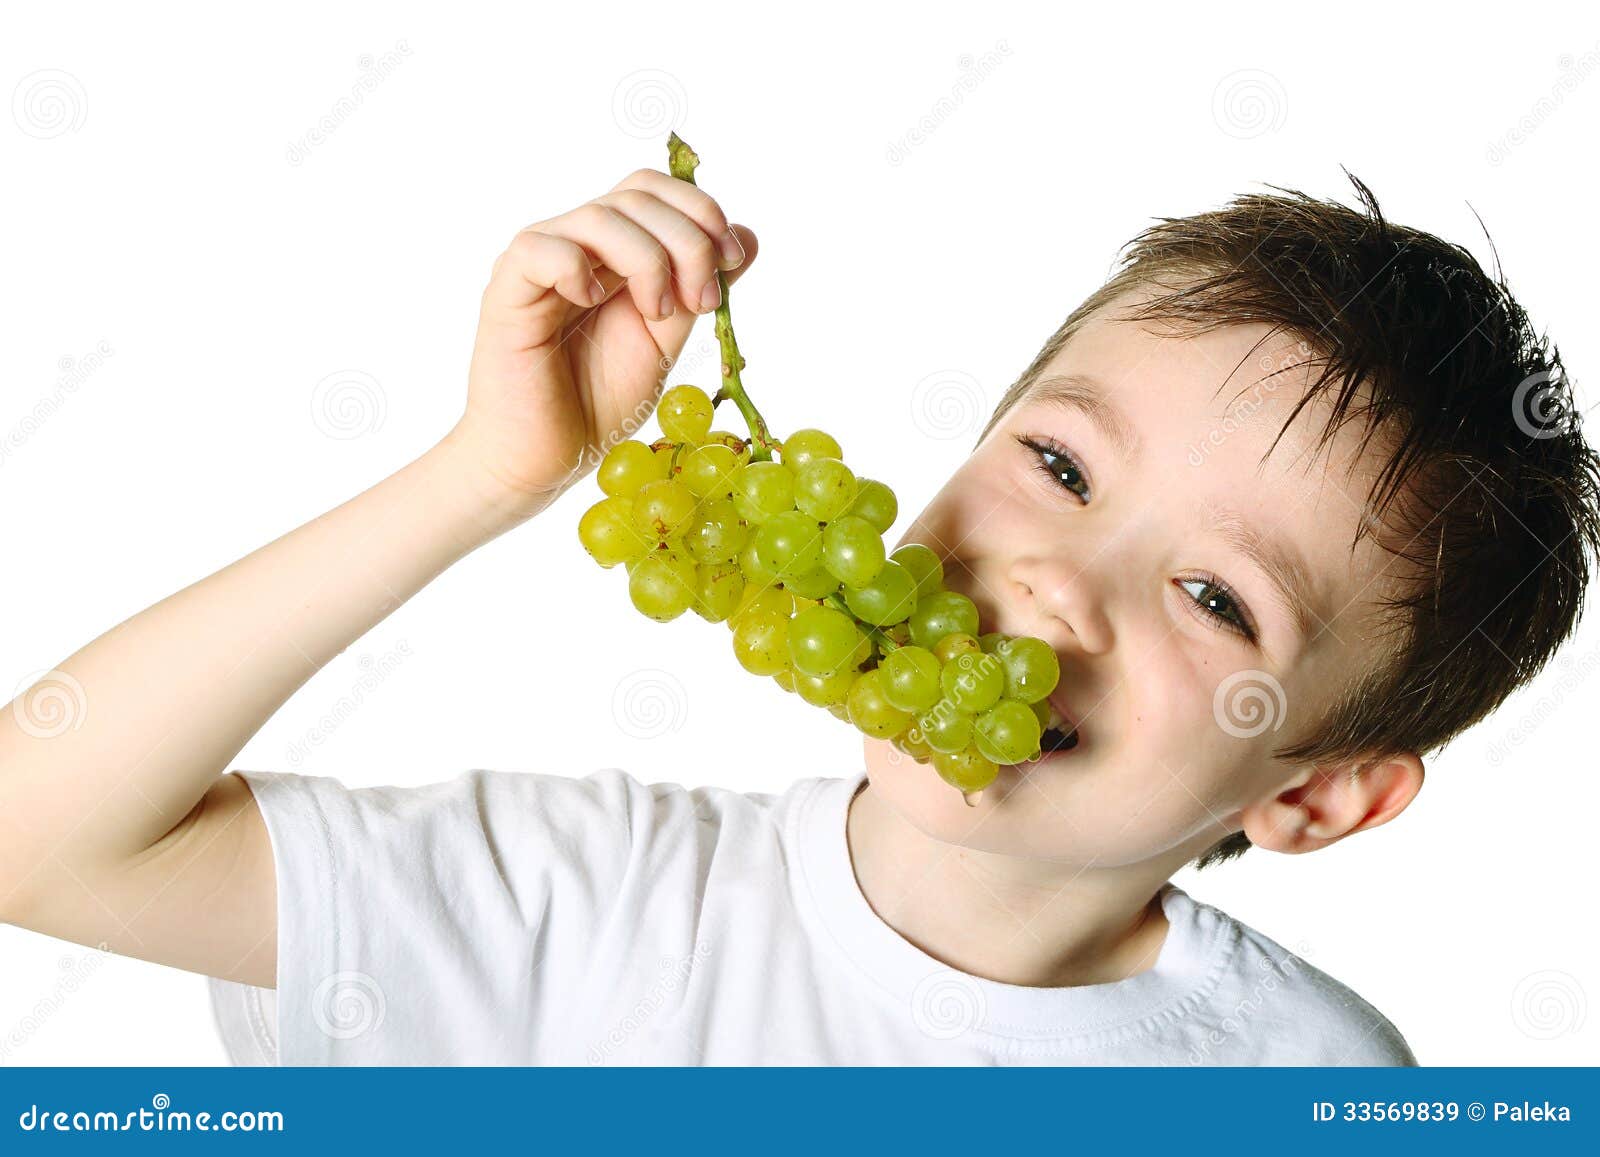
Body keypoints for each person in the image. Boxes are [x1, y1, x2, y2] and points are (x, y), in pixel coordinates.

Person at [4, 165, 1595, 1065]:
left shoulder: (1312, 1080)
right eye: (1057, 461)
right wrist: (482, 475)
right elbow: (38, 834)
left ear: (1316, 788)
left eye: (1211, 593)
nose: (1055, 581)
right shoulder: (583, 903)